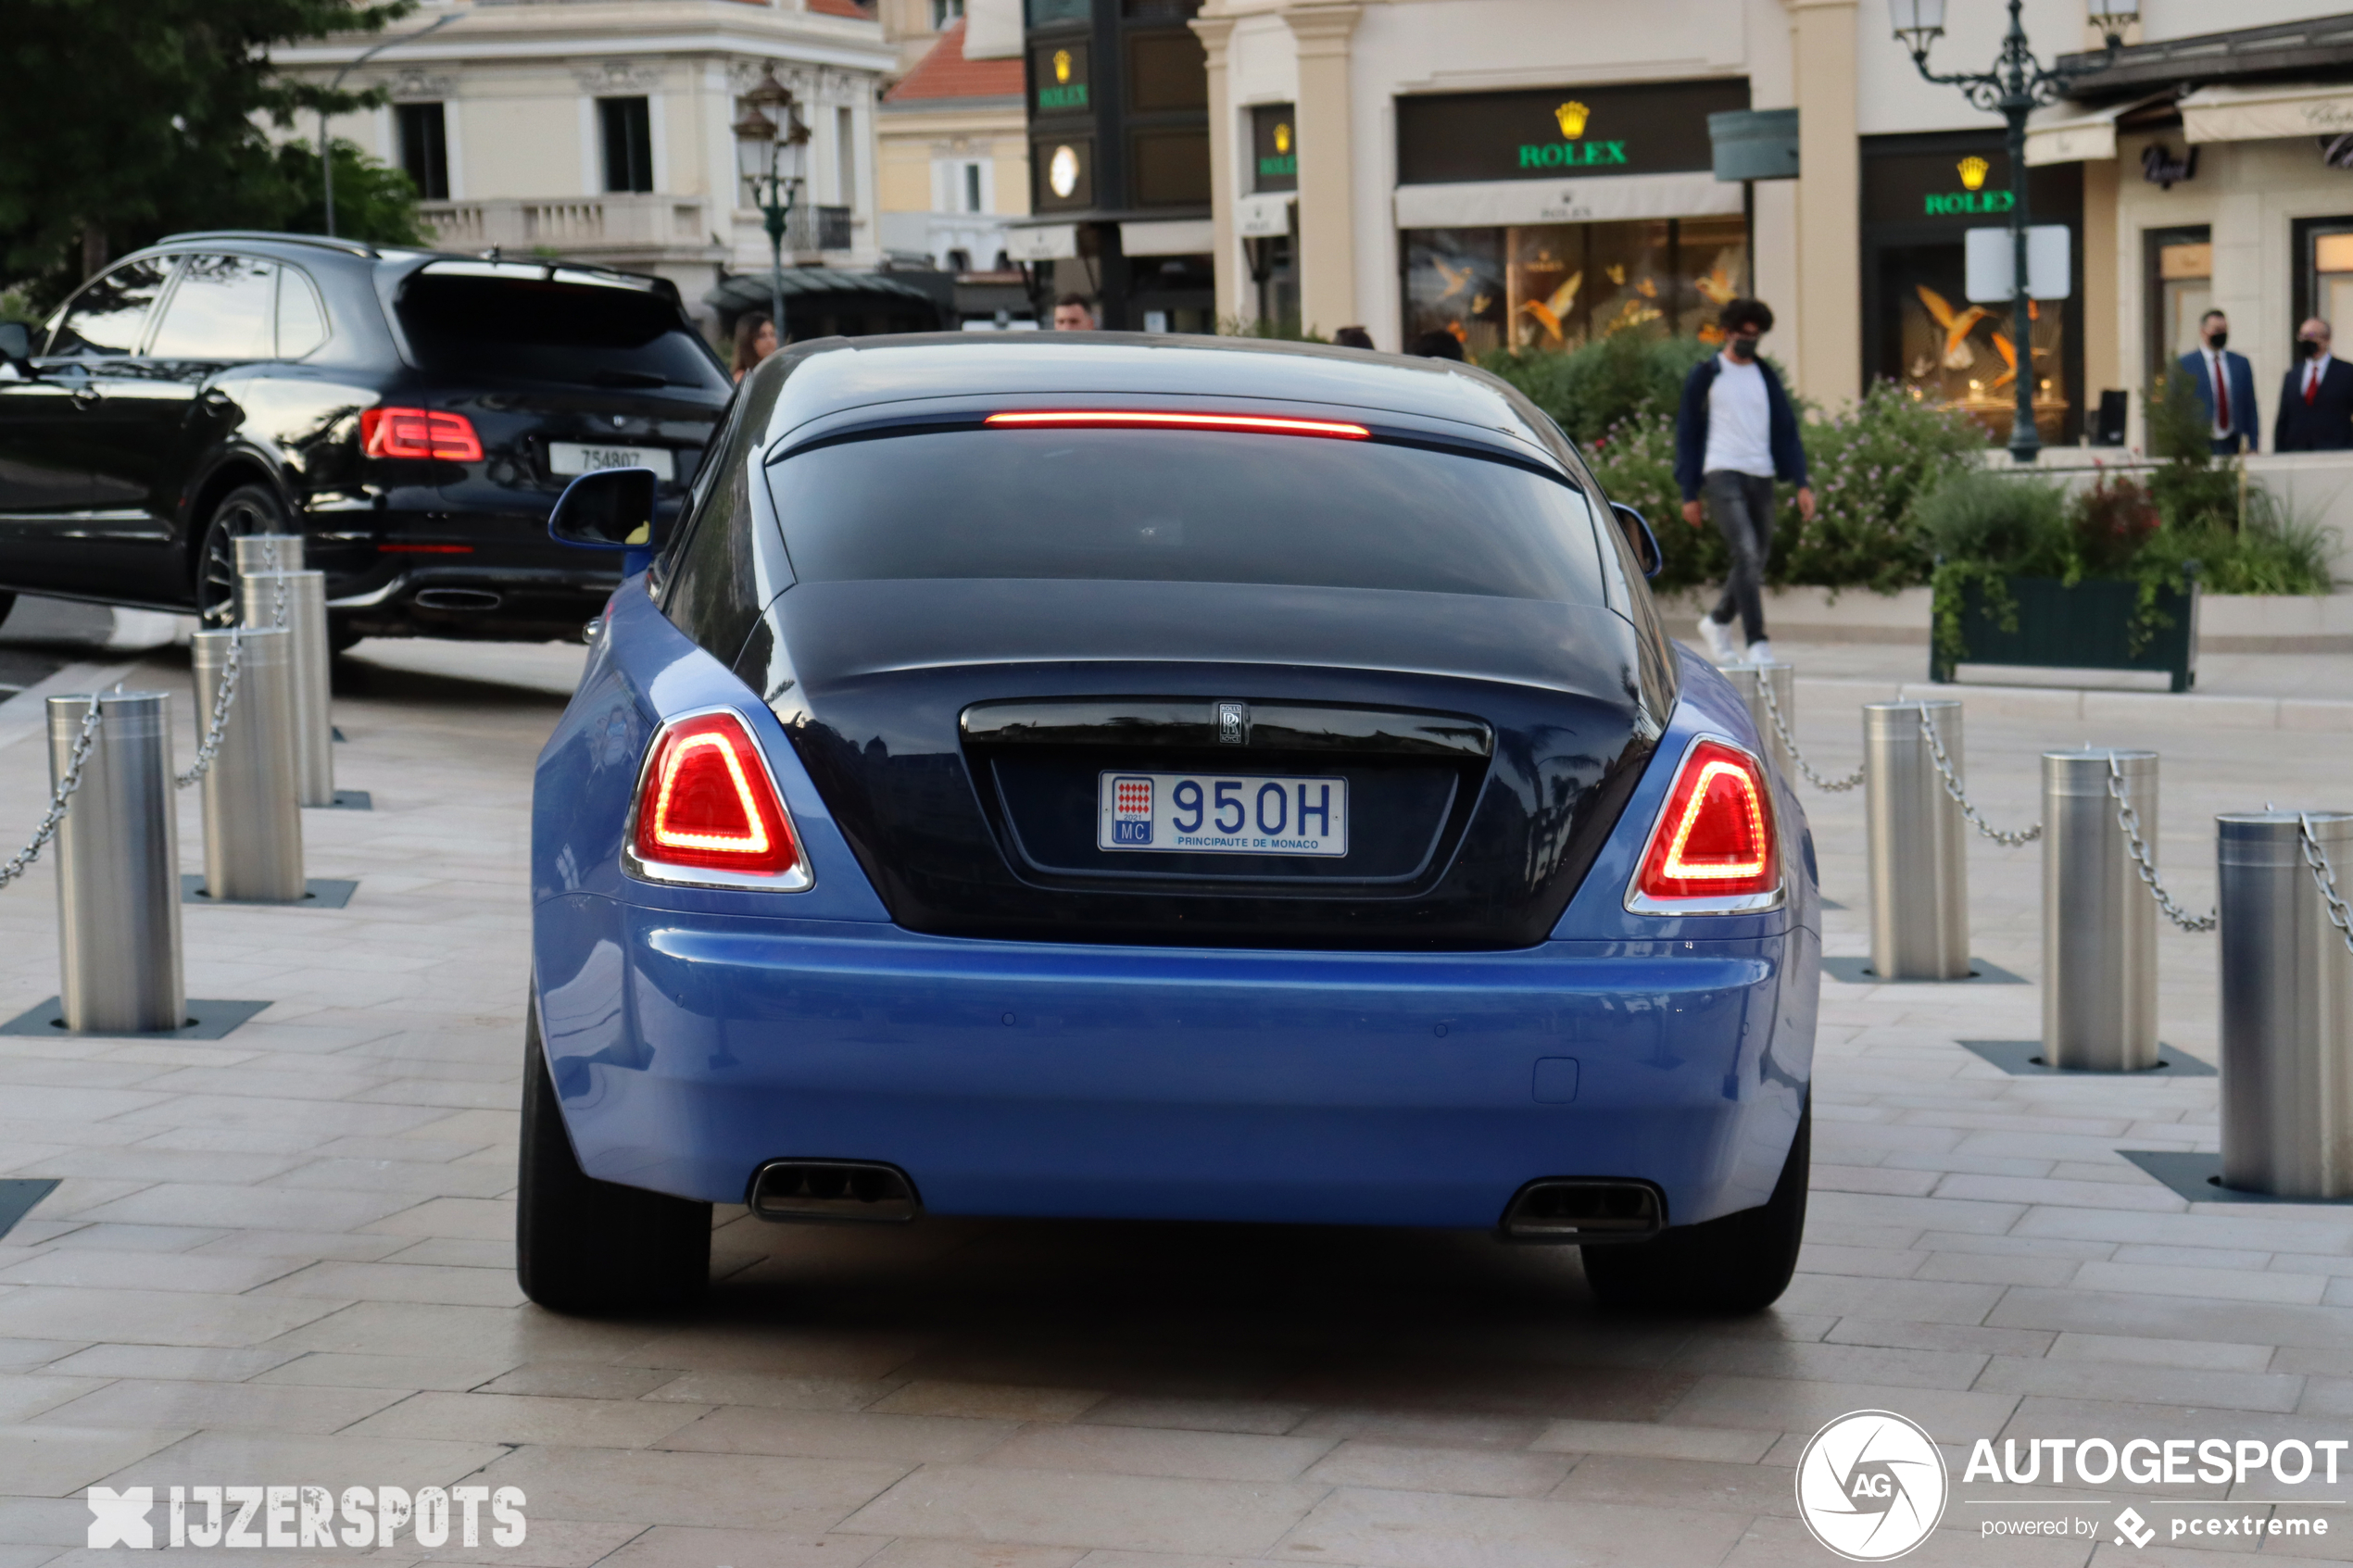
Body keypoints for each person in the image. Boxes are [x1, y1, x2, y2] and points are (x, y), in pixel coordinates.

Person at [1673, 297, 1815, 667]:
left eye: (1756, 335)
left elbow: (1787, 432)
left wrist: (1802, 482)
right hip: (1721, 470)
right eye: (1743, 334)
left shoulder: (1765, 376)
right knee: (1746, 552)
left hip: (1762, 473)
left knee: (1758, 557)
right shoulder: (1706, 374)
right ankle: (1757, 640)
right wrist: (1689, 493)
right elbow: (1686, 434)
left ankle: (1717, 620)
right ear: (1727, 332)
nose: (1750, 340)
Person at [2179, 309, 2258, 456]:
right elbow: (2177, 408)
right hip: (2200, 444)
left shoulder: (2240, 364)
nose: (2221, 334)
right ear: (2203, 332)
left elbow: (2250, 406)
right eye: (2216, 330)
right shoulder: (2185, 365)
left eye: (2224, 330)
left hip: (2233, 442)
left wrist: (2253, 445)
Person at [2276, 318, 2353, 452]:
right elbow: (2283, 419)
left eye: (2311, 335)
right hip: (2297, 452)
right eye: (2302, 335)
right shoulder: (2292, 375)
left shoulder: (2347, 372)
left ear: (2326, 339)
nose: (2305, 340)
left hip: (2336, 452)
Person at [730, 313, 776, 383]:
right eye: (762, 336)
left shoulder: (777, 370)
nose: (770, 341)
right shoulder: (742, 378)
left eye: (772, 334)